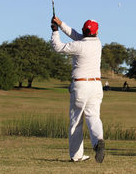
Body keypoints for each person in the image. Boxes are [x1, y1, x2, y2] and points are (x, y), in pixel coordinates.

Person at [51, 16, 105, 163]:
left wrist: (55, 31)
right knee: (93, 117)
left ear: (83, 30)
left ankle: (76, 156)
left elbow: (57, 47)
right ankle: (97, 141)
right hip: (96, 86)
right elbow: (76, 35)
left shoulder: (78, 46)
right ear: (96, 32)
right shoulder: (98, 43)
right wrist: (61, 24)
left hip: (80, 86)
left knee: (76, 122)